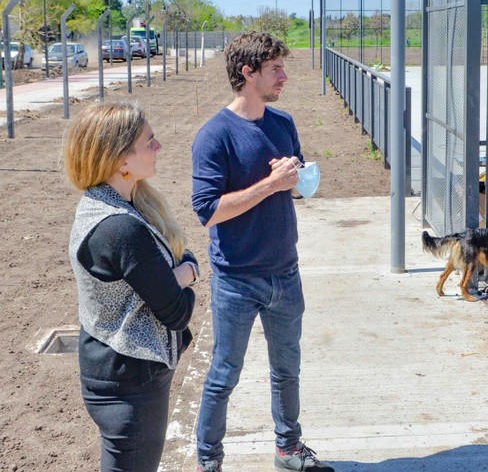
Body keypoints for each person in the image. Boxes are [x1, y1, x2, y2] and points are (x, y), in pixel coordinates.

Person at [192, 31, 334, 472]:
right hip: (236, 278)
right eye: (275, 68)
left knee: (287, 370)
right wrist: (269, 185)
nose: (284, 76)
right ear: (248, 73)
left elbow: (306, 187)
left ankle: (288, 449)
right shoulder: (214, 135)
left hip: (284, 272)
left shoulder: (283, 123)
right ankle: (208, 461)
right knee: (223, 376)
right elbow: (208, 211)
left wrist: (298, 175)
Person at [65, 101, 197, 472]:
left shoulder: (113, 203)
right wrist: (185, 274)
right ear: (120, 160)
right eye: (149, 141)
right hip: (130, 384)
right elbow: (177, 312)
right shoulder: (122, 228)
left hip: (115, 372)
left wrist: (178, 271)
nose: (159, 147)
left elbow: (180, 252)